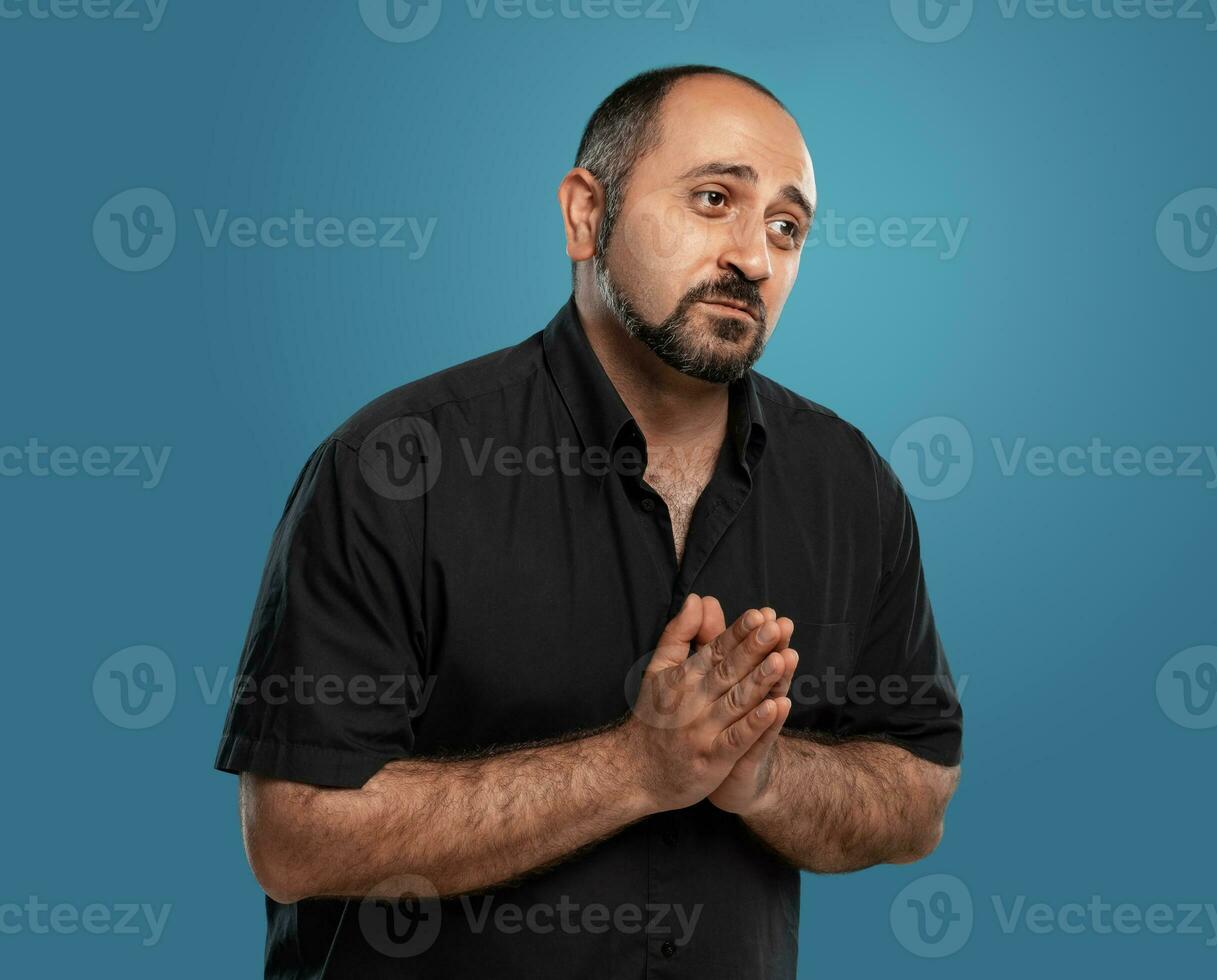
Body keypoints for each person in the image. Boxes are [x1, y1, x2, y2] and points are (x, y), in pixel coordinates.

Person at [215, 64, 963, 979]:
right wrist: (636, 768)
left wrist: (765, 780)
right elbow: (293, 837)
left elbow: (918, 793)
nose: (755, 259)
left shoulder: (851, 487)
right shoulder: (397, 466)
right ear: (584, 214)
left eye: (786, 227)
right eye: (714, 199)